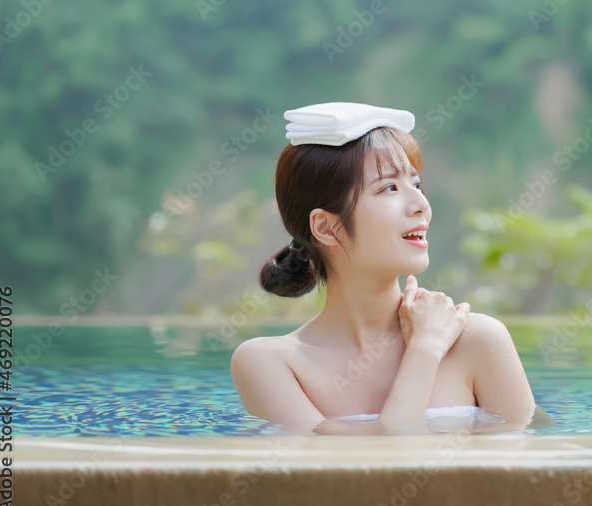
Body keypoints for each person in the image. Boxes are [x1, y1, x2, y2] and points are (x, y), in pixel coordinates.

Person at [230, 103, 537, 434]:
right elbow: (371, 465)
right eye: (389, 188)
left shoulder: (476, 340)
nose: (421, 205)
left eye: (416, 185)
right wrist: (424, 351)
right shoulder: (270, 363)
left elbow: (525, 471)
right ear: (326, 227)